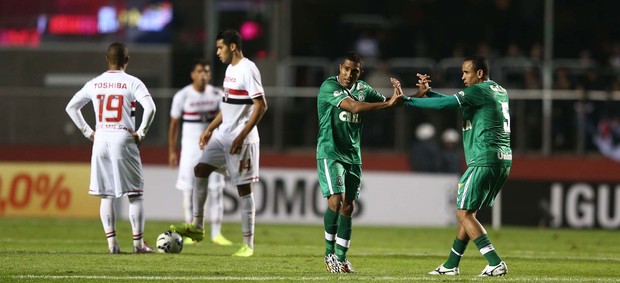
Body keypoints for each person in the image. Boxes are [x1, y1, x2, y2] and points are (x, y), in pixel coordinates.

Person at [397, 56, 511, 276]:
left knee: (462, 214)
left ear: (479, 73)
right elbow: (450, 101)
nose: (462, 77)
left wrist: (407, 100)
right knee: (468, 213)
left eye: (466, 72)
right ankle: (451, 264)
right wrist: (429, 93)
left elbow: (444, 104)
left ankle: (494, 261)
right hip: (501, 159)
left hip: (483, 158)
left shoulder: (479, 90)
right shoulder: (498, 90)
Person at [171, 29, 267, 257]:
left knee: (244, 189)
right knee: (200, 168)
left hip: (243, 139)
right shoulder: (229, 70)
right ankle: (198, 227)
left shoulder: (248, 68)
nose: (218, 52)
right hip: (223, 136)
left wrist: (242, 135)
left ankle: (248, 245)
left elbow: (261, 105)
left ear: (233, 46)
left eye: (220, 47)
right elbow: (228, 107)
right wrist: (209, 129)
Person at [65, 42, 156, 254]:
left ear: (107, 59)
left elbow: (71, 107)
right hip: (123, 136)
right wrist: (142, 131)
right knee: (135, 195)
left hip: (101, 138)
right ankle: (138, 244)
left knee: (107, 195)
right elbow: (150, 107)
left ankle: (112, 245)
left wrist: (88, 132)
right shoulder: (133, 82)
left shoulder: (95, 83)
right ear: (127, 60)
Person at [317, 51, 403, 273]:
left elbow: (391, 103)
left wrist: (418, 95)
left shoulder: (363, 88)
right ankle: (329, 255)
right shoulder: (329, 87)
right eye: (345, 69)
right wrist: (388, 105)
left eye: (353, 70)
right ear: (340, 68)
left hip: (353, 156)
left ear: (359, 72)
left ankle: (343, 258)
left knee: (348, 206)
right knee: (336, 200)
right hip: (330, 151)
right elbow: (354, 107)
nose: (348, 73)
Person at [168, 59, 233, 246]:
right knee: (188, 190)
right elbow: (174, 124)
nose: (203, 74)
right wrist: (172, 151)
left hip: (213, 149)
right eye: (200, 71)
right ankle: (192, 232)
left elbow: (228, 119)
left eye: (206, 71)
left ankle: (216, 233)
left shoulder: (217, 94)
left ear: (210, 74)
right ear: (193, 74)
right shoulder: (182, 96)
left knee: (216, 190)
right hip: (189, 150)